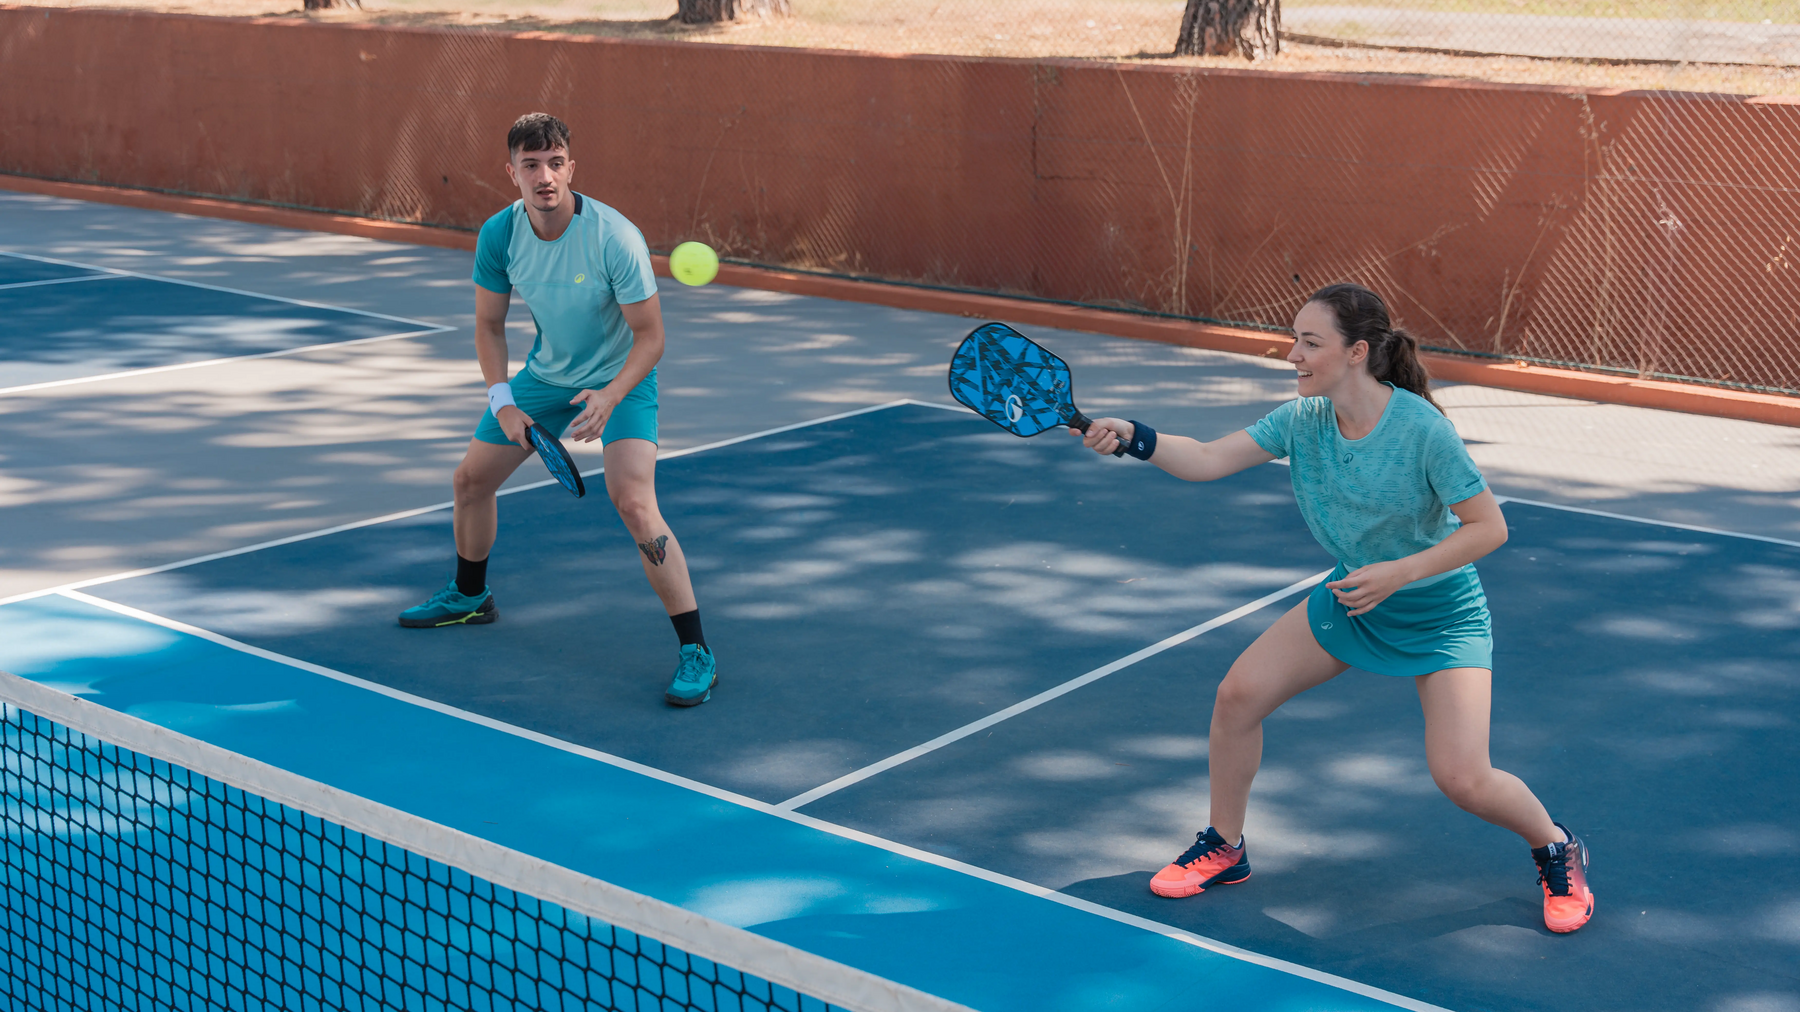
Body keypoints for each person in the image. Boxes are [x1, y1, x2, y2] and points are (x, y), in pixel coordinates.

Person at [1074, 282, 1593, 934]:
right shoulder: (1304, 420)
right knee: (1238, 697)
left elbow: (1488, 528)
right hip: (1353, 597)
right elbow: (1207, 459)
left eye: (1309, 343)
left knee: (1463, 778)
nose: (1292, 354)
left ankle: (1555, 846)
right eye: (1294, 339)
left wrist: (1399, 574)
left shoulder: (1422, 431)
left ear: (1357, 352)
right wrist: (1135, 437)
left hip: (1438, 613)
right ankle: (1225, 846)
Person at [398, 112, 718, 708]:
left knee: (634, 502)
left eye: (554, 163)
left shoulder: (613, 236)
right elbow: (489, 325)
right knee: (470, 480)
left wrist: (611, 395)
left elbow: (651, 338)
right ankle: (471, 597)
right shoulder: (500, 234)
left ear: (571, 167)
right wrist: (505, 404)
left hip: (624, 378)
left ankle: (696, 650)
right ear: (512, 173)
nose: (544, 176)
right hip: (545, 379)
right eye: (530, 165)